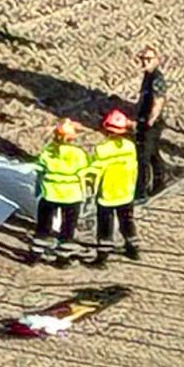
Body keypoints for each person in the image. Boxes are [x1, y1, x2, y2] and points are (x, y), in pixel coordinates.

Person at [31, 118, 90, 268]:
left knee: (43, 227)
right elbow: (85, 173)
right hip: (71, 196)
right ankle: (62, 259)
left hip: (49, 194)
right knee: (67, 229)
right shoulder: (79, 154)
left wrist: (38, 191)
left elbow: (40, 171)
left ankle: (34, 256)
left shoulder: (48, 152)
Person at [88, 109, 139, 266]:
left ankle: (102, 256)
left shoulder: (101, 150)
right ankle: (133, 248)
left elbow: (95, 171)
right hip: (126, 192)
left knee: (105, 226)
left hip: (107, 194)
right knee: (127, 221)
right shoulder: (130, 146)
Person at [133, 45, 168, 202]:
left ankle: (141, 191)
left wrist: (150, 121)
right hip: (145, 120)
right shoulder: (148, 76)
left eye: (148, 59)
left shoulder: (156, 78)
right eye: (142, 59)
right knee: (153, 153)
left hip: (150, 123)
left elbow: (159, 100)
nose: (144, 62)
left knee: (143, 158)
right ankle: (160, 182)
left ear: (156, 60)